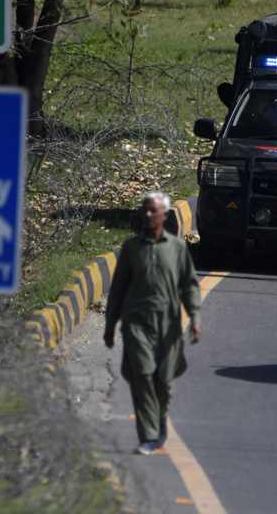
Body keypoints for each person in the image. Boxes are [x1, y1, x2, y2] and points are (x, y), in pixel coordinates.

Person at [104, 192, 202, 456]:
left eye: (153, 211)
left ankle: (158, 419)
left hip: (168, 326)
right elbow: (118, 290)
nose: (147, 215)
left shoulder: (177, 249)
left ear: (165, 216)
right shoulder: (131, 248)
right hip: (136, 324)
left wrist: (195, 318)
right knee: (142, 375)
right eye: (144, 210)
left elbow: (190, 286)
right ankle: (147, 437)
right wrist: (110, 326)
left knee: (163, 381)